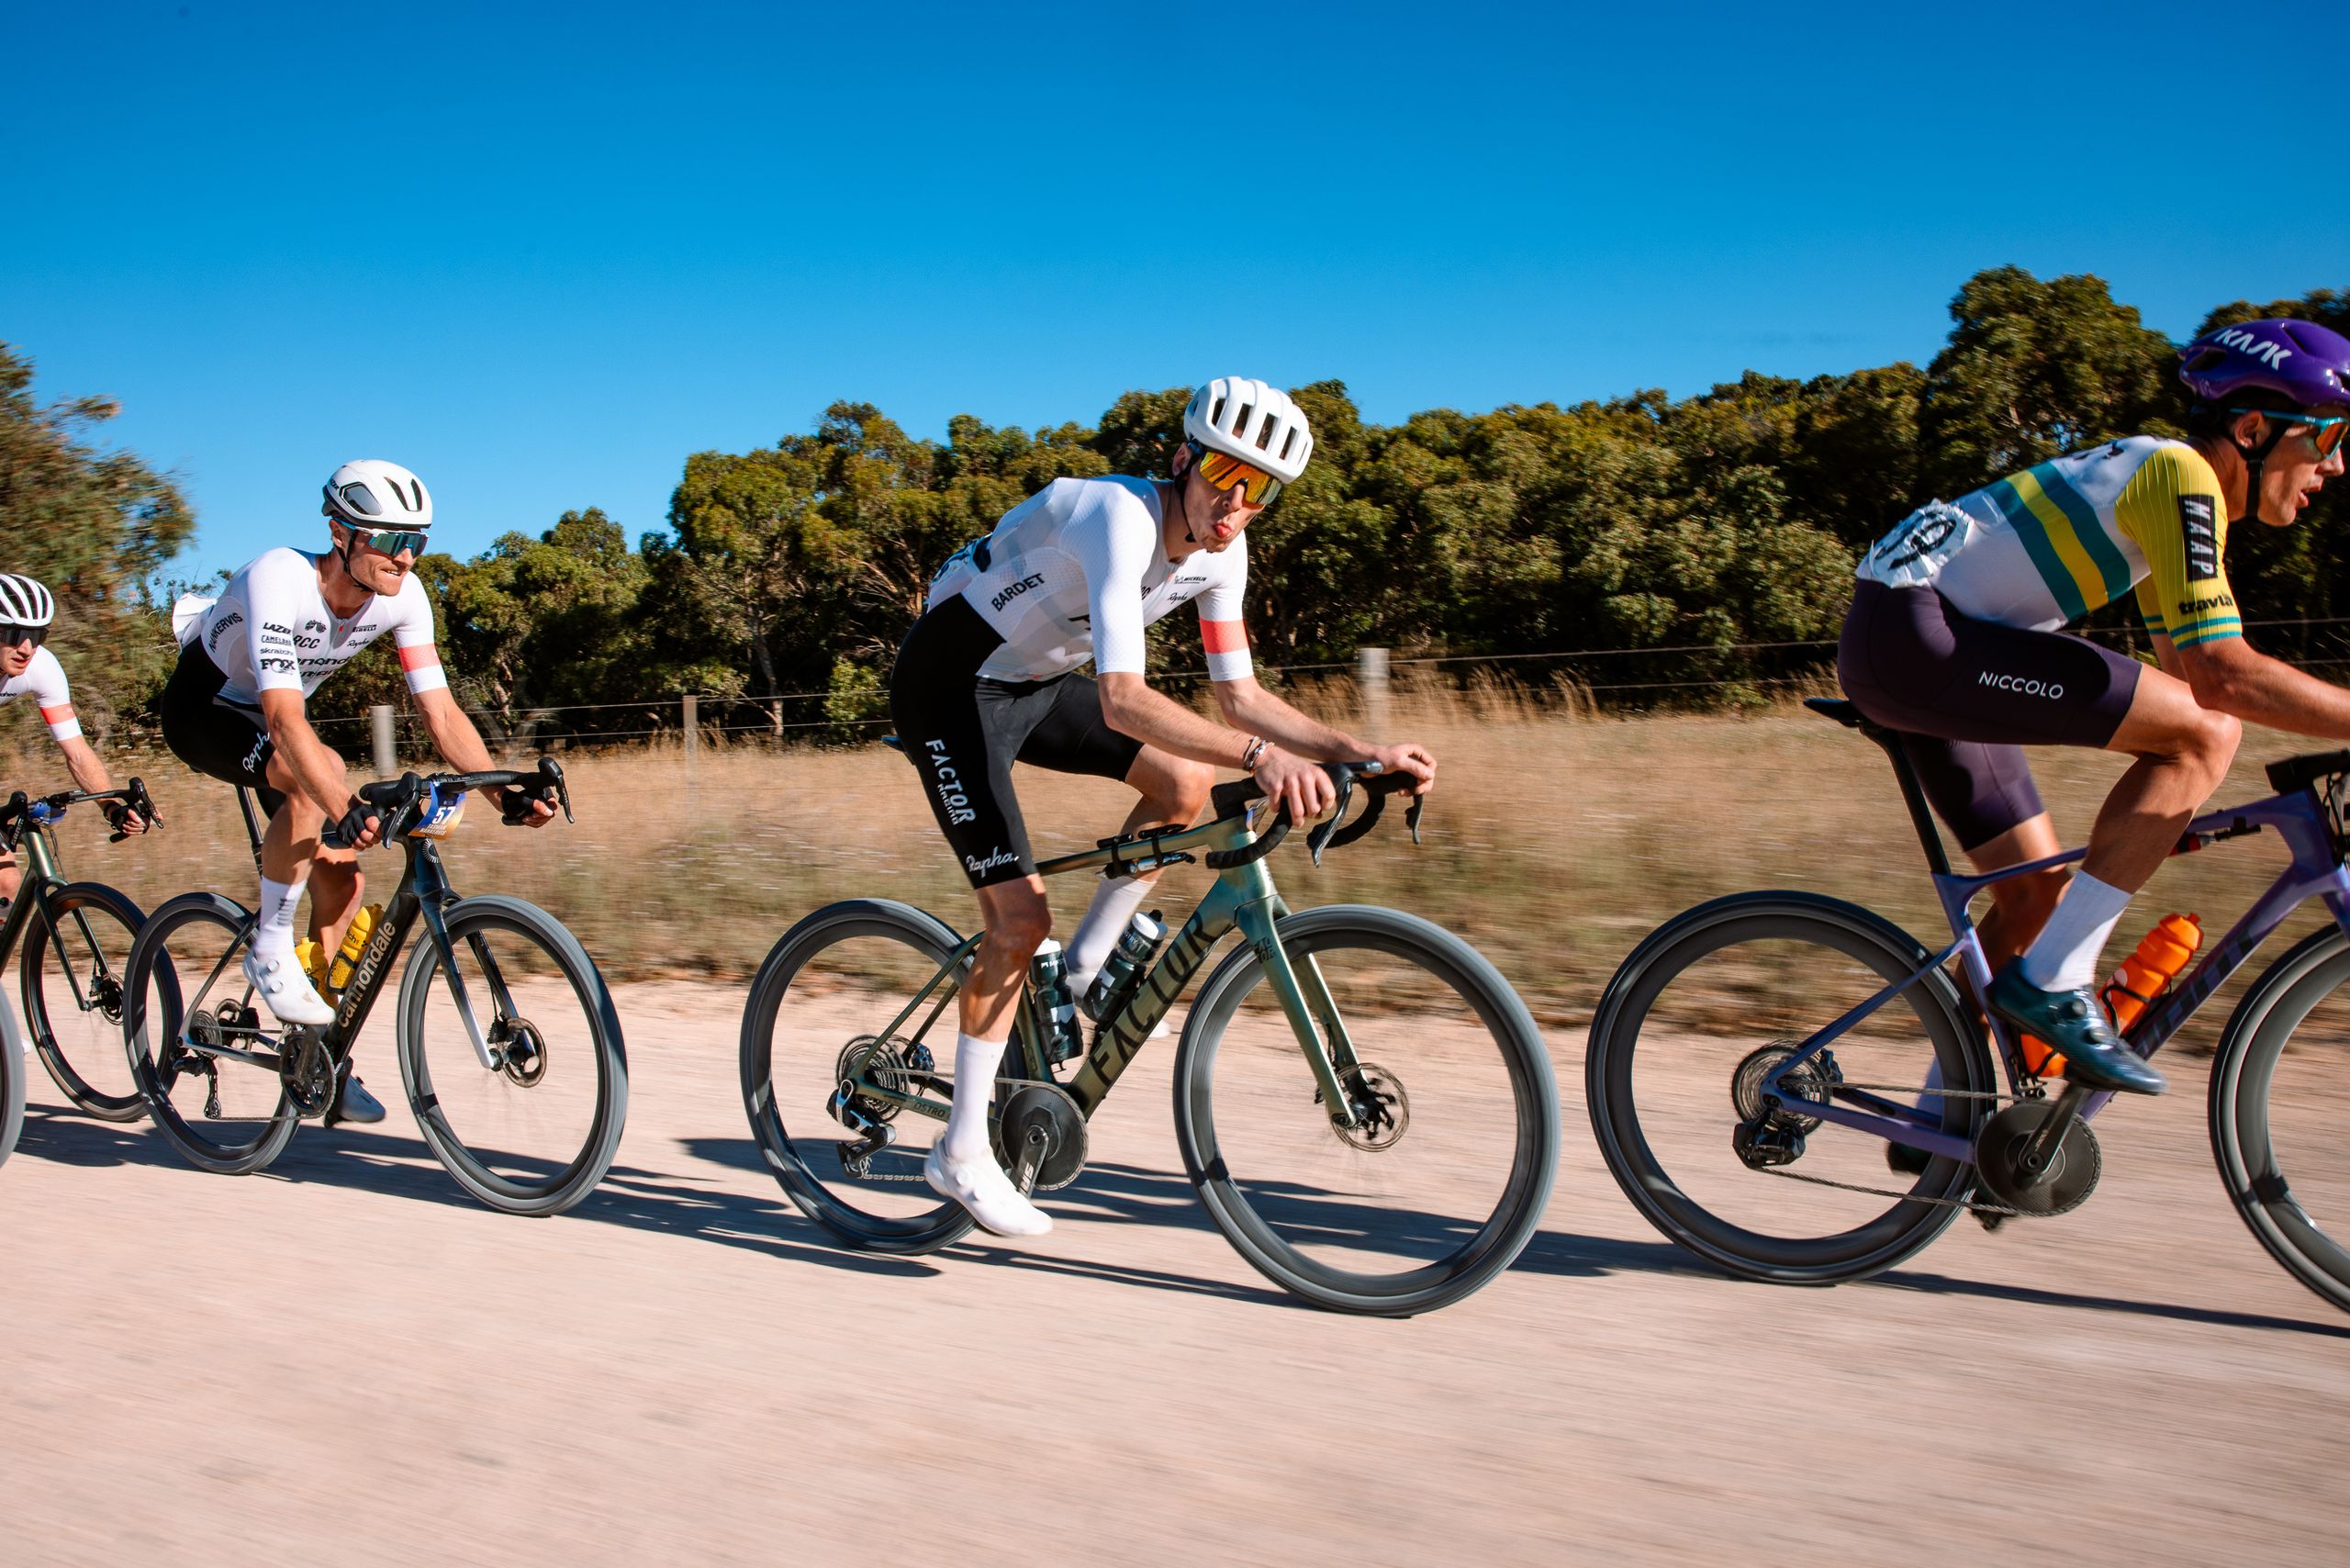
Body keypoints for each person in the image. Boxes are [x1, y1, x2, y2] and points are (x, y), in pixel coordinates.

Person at [891, 376, 1438, 1236]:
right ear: (1184, 460)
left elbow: (1244, 700)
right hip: (949, 685)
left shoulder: (1226, 552)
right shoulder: (1119, 517)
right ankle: (959, 1154)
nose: (1236, 501)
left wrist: (1360, 751)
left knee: (1182, 789)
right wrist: (1265, 763)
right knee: (1016, 918)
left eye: (1260, 489)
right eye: (1225, 472)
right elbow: (1121, 699)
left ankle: (1076, 978)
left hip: (1030, 682)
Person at [1841, 318, 2350, 1095]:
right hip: (1920, 639)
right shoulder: (2179, 479)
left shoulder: (2166, 488)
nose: (2337, 464)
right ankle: (2056, 986)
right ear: (2252, 427)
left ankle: (1949, 1119)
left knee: (2035, 897)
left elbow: (2188, 668)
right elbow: (2223, 685)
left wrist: (2155, 823)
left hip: (1921, 637)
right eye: (2328, 436)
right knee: (2209, 734)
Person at [163, 460, 553, 1123]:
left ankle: (322, 1060)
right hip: (207, 712)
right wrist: (341, 805)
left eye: (418, 541)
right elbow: (286, 723)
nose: (406, 556)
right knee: (325, 776)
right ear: (341, 533)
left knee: (343, 887)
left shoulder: (406, 595)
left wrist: (502, 793)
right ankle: (270, 945)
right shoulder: (278, 578)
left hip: (274, 722)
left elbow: (441, 713)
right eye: (389, 539)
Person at [0, 573, 150, 910]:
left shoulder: (42, 667)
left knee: (4, 879)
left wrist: (110, 806)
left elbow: (77, 751)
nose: (26, 648)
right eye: (14, 634)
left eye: (37, 635)